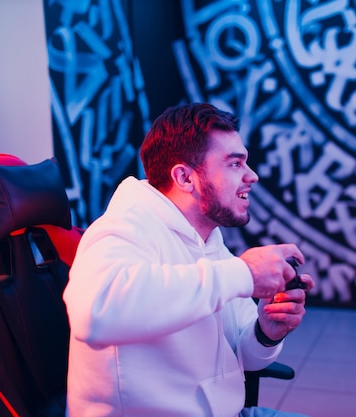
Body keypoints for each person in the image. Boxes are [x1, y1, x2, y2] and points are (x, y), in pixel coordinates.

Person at [63, 102, 314, 417]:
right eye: (235, 164)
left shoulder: (208, 241)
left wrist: (267, 330)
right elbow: (94, 315)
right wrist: (245, 273)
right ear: (184, 178)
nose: (253, 176)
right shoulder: (123, 229)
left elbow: (247, 359)